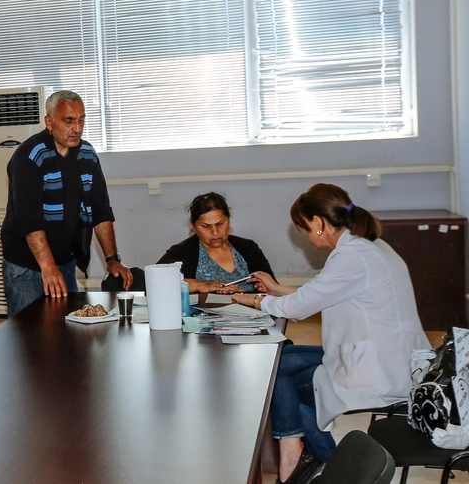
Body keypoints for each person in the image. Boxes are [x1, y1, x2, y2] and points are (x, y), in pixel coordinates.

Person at [232, 184, 429, 484]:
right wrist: (276, 289)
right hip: (384, 355)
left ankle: (296, 455)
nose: (305, 236)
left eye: (303, 228)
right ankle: (316, 460)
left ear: (317, 222)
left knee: (275, 372)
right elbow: (322, 294)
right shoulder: (369, 246)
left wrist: (254, 300)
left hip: (379, 369)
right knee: (281, 371)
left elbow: (299, 307)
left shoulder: (353, 256)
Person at [0, 90, 132, 317]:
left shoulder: (87, 155)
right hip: (26, 266)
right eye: (69, 121)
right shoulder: (29, 156)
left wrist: (112, 259)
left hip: (65, 262)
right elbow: (30, 221)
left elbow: (101, 211)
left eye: (81, 120)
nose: (77, 128)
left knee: (68, 329)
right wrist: (48, 267)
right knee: (27, 332)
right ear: (49, 122)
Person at [157, 192, 274, 293]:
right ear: (194, 225)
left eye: (220, 224)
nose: (215, 232)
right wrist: (199, 285)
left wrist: (265, 288)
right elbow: (154, 281)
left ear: (228, 219)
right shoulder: (181, 252)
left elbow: (272, 287)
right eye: (205, 226)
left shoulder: (248, 248)